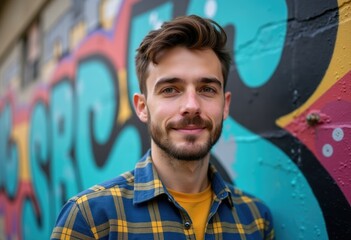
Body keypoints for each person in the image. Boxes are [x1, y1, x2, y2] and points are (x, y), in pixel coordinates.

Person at [51, 15, 274, 240]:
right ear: (142, 107)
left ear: (225, 105)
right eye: (170, 90)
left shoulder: (255, 220)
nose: (191, 106)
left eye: (207, 89)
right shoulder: (90, 220)